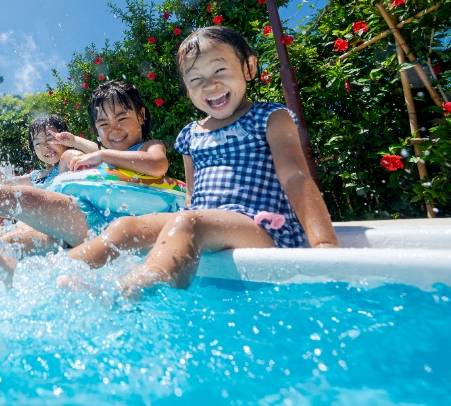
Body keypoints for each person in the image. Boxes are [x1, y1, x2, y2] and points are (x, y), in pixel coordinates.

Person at [62, 26, 339, 297]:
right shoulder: (190, 136)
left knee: (189, 223)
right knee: (127, 227)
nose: (210, 85)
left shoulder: (270, 117)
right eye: (196, 80)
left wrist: (324, 244)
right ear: (187, 90)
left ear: (249, 68)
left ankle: (129, 291)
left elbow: (295, 178)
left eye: (220, 70)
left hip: (259, 227)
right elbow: (192, 197)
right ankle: (56, 273)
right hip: (201, 222)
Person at [0, 80, 171, 280]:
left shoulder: (147, 147)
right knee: (16, 238)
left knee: (11, 198)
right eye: (104, 124)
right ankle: (9, 273)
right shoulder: (96, 158)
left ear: (142, 116)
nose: (114, 129)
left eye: (122, 118)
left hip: (98, 219)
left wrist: (93, 151)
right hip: (79, 221)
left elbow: (158, 166)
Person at [0, 115, 98, 285]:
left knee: (10, 241)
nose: (45, 147)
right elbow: (6, 183)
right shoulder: (37, 176)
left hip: (63, 226)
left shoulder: (71, 161)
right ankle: (8, 270)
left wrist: (74, 142)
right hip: (40, 227)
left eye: (51, 139)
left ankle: (9, 270)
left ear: (64, 137)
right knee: (0, 238)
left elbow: (100, 153)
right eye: (38, 143)